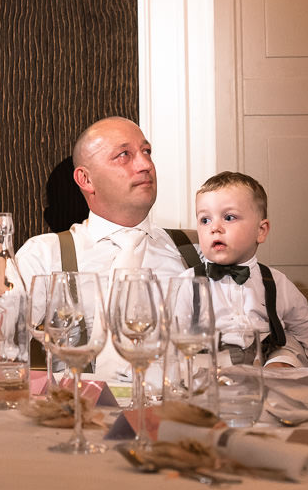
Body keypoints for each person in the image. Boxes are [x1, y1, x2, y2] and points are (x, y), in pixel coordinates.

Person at [16, 116, 201, 385]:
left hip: (180, 414)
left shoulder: (197, 249)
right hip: (83, 415)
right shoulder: (44, 254)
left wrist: (283, 359)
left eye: (146, 152)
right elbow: (1, 344)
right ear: (86, 179)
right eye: (124, 155)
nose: (145, 165)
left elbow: (271, 325)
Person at [193, 170, 308, 376]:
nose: (215, 228)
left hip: (265, 358)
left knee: (285, 358)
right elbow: (166, 335)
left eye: (229, 217)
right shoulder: (187, 283)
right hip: (212, 363)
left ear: (261, 231)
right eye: (205, 220)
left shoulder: (275, 281)